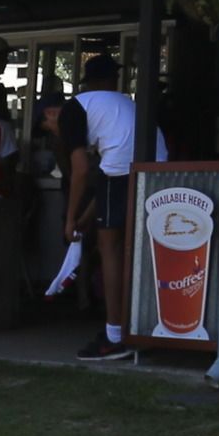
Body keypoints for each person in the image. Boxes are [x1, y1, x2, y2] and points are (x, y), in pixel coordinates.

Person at [74, 51, 141, 359]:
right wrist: (86, 216)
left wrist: (71, 218)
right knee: (135, 250)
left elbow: (82, 169)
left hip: (118, 172)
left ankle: (115, 333)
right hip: (155, 170)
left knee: (110, 249)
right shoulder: (126, 103)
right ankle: (139, 326)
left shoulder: (78, 106)